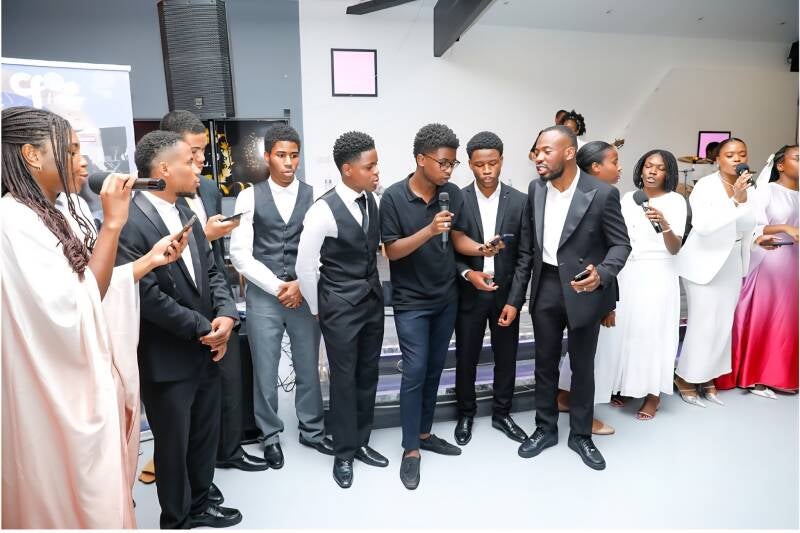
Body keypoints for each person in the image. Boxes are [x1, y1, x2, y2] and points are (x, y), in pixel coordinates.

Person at [1, 106, 185, 528]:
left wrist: (148, 262)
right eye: (69, 151)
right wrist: (113, 225)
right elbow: (74, 305)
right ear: (32, 155)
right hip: (55, 388)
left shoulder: (59, 210)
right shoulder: (13, 221)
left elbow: (91, 284)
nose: (81, 161)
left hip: (86, 377)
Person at [116, 130, 242, 528]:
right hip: (168, 357)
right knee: (173, 448)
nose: (197, 167)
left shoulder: (187, 210)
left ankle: (201, 504)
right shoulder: (129, 222)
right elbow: (148, 296)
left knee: (204, 436)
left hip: (207, 348)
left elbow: (213, 270)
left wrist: (226, 315)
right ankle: (176, 518)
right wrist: (204, 327)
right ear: (164, 169)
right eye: (189, 161)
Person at [380, 123, 496, 489]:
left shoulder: (452, 195)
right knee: (414, 370)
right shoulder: (393, 198)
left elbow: (458, 238)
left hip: (446, 298)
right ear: (421, 159)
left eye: (452, 164)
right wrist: (429, 231)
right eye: (443, 163)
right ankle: (410, 449)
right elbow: (392, 251)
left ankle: (425, 434)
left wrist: (481, 249)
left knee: (433, 369)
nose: (448, 170)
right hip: (411, 302)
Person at [514, 125, 630, 471]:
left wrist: (602, 274)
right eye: (536, 151)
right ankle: (545, 428)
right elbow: (527, 248)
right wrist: (516, 297)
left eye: (546, 150)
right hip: (546, 286)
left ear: (568, 152)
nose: (538, 157)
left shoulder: (602, 193)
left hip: (584, 288)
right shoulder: (536, 189)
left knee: (582, 365)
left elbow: (621, 244)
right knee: (544, 363)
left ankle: (581, 434)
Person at [159, 110, 268, 476]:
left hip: (218, 295)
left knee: (229, 380)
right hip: (181, 307)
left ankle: (230, 451)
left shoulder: (206, 188)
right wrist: (203, 236)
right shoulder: (157, 194)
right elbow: (163, 258)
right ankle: (199, 473)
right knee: (193, 395)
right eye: (194, 153)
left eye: (203, 151)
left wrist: (227, 305)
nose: (202, 160)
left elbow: (212, 256)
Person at [229, 124, 334, 470]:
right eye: (281, 155)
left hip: (304, 292)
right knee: (265, 368)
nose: (289, 162)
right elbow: (240, 254)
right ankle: (270, 435)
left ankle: (312, 429)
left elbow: (323, 248)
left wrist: (301, 284)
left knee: (308, 365)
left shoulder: (315, 195)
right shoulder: (248, 197)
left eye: (294, 155)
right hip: (264, 296)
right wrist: (278, 286)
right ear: (267, 157)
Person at [296, 131, 389, 489]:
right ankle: (344, 452)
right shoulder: (322, 210)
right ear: (348, 169)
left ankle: (362, 441)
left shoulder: (372, 200)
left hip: (371, 302)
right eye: (370, 166)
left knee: (368, 374)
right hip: (339, 308)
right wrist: (318, 308)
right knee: (344, 380)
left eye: (376, 164)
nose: (376, 171)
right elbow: (306, 267)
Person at [452, 131, 530, 445]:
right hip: (469, 292)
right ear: (470, 164)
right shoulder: (457, 199)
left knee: (507, 357)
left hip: (505, 294)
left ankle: (502, 414)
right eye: (479, 164)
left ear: (501, 161)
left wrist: (515, 300)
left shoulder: (520, 201)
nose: (487, 170)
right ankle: (465, 413)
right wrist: (467, 273)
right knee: (466, 357)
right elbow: (450, 251)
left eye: (493, 163)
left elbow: (525, 255)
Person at [675, 137, 757, 407]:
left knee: (722, 325)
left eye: (742, 154)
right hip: (703, 263)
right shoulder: (705, 186)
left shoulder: (748, 186)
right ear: (718, 159)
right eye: (730, 155)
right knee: (703, 324)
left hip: (731, 262)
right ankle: (685, 377)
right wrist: (735, 201)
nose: (737, 159)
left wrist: (756, 233)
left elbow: (748, 225)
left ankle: (707, 376)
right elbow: (704, 226)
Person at [717, 144, 799, 396]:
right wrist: (785, 228)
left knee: (787, 319)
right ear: (780, 165)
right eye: (798, 158)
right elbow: (753, 225)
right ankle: (756, 376)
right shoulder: (766, 190)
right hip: (770, 258)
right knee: (767, 314)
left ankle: (778, 373)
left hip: (793, 262)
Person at [611, 150, 687, 419]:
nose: (652, 172)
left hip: (658, 272)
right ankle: (626, 385)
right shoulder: (627, 198)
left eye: (660, 168)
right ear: (641, 169)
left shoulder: (676, 201)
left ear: (669, 173)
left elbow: (675, 248)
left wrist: (664, 224)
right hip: (628, 271)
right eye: (648, 166)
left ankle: (653, 395)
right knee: (627, 330)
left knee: (653, 332)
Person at [556, 141, 622, 434]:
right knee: (583, 359)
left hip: (597, 286)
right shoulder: (575, 196)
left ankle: (579, 413)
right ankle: (573, 406)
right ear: (595, 167)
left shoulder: (608, 195)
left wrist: (610, 302)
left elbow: (613, 251)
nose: (619, 168)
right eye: (614, 162)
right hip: (575, 287)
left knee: (586, 358)